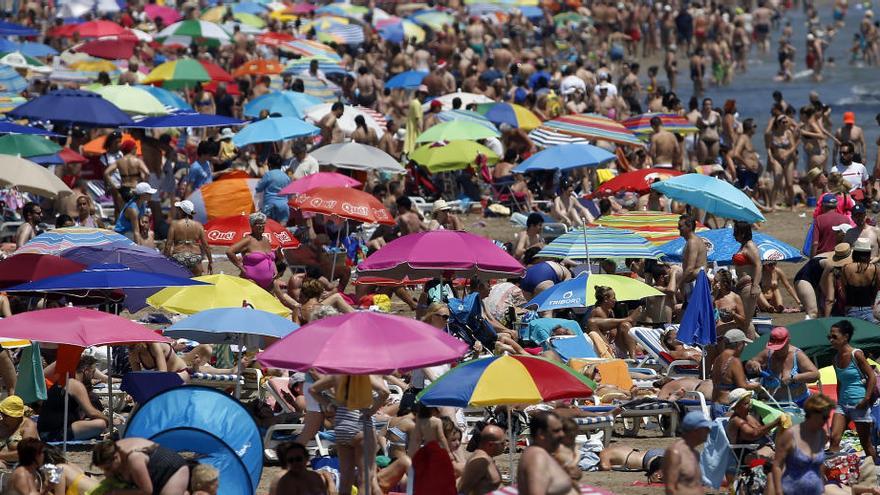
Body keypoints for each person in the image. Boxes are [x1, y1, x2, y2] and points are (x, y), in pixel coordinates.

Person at [309, 374, 389, 495]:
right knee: (365, 476)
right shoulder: (366, 376)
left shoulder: (337, 376)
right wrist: (372, 410)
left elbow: (313, 390)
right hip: (361, 422)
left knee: (346, 476)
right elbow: (384, 392)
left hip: (342, 424)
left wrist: (329, 404)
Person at [828, 319, 878, 462]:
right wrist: (838, 401)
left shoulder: (856, 354)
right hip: (843, 404)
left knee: (865, 443)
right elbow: (839, 381)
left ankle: (874, 473)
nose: (831, 340)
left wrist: (866, 399)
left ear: (846, 337)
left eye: (834, 337)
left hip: (860, 403)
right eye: (829, 337)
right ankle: (835, 472)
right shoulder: (835, 358)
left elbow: (871, 378)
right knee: (834, 438)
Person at [770, 394, 836, 495]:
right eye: (824, 417)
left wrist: (822, 486)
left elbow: (819, 466)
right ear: (813, 413)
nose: (826, 421)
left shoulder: (822, 435)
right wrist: (779, 492)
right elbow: (777, 465)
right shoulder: (790, 435)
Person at [746, 327, 819, 406]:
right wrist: (753, 363)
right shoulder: (768, 353)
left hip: (798, 403)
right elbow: (748, 365)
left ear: (788, 341)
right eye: (774, 347)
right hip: (774, 403)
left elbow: (815, 374)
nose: (777, 350)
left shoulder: (797, 355)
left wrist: (794, 378)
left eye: (780, 347)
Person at [92, 438, 190, 495]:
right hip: (151, 474)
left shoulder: (134, 458)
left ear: (116, 457)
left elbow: (147, 491)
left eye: (108, 468)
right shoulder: (110, 449)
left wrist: (115, 492)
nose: (106, 473)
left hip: (173, 471)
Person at [517, 411, 578, 495]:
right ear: (541, 433)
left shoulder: (542, 453)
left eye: (562, 430)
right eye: (557, 431)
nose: (562, 434)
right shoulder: (537, 457)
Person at [711, 329, 761, 416]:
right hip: (728, 406)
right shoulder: (734, 360)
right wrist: (757, 386)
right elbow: (743, 385)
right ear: (738, 344)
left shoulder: (718, 359)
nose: (744, 347)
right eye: (744, 344)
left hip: (716, 405)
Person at [829, 237, 880, 321]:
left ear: (855, 253)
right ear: (868, 253)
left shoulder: (846, 268)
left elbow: (843, 291)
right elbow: (877, 289)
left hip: (851, 309)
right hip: (868, 308)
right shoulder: (875, 269)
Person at [226, 212, 280, 290]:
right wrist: (241, 267)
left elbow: (270, 258)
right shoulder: (248, 240)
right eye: (257, 224)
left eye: (262, 223)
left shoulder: (265, 239)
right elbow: (229, 251)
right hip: (252, 281)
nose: (261, 226)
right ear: (252, 225)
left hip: (269, 282)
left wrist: (275, 269)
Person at [663, 411, 711, 495]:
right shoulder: (675, 453)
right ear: (696, 431)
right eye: (706, 428)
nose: (709, 431)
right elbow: (670, 489)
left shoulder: (695, 453)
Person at [587, 286, 642, 359]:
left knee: (625, 325)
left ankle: (633, 357)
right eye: (613, 298)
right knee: (625, 324)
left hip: (614, 347)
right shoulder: (598, 311)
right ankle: (629, 318)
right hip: (606, 349)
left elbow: (614, 332)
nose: (616, 300)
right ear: (606, 299)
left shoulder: (610, 311)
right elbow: (612, 333)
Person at [164, 200, 211, 276]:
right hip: (195, 256)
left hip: (179, 256)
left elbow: (168, 245)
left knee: (179, 283)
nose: (178, 211)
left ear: (182, 211)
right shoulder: (198, 225)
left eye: (179, 209)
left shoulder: (174, 224)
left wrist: (165, 261)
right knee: (196, 282)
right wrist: (210, 261)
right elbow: (205, 245)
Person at [733, 220, 762, 338]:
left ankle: (751, 348)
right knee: (745, 321)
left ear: (743, 233)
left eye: (736, 232)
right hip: (743, 287)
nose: (734, 235)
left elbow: (758, 265)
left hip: (748, 286)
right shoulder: (743, 246)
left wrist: (755, 285)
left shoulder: (750, 245)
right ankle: (759, 344)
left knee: (746, 321)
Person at [458, 424, 505, 495]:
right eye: (502, 443)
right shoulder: (480, 462)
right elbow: (463, 490)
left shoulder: (487, 458)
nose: (505, 445)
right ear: (490, 445)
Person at [676, 215, 707, 300]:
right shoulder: (692, 241)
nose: (678, 228)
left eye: (680, 226)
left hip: (696, 283)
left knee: (691, 312)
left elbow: (690, 268)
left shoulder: (692, 242)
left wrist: (679, 284)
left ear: (689, 226)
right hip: (694, 282)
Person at [0, 396, 37, 466]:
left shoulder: (28, 427)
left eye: (5, 415)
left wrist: (1, 455)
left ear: (16, 416)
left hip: (22, 465)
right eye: (1, 413)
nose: (2, 416)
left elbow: (27, 453)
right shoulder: (2, 423)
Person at [256, 154, 292, 225]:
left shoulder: (268, 175)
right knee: (282, 229)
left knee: (269, 228)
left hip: (269, 205)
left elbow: (258, 188)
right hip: (283, 205)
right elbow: (290, 194)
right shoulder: (286, 177)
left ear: (269, 165)